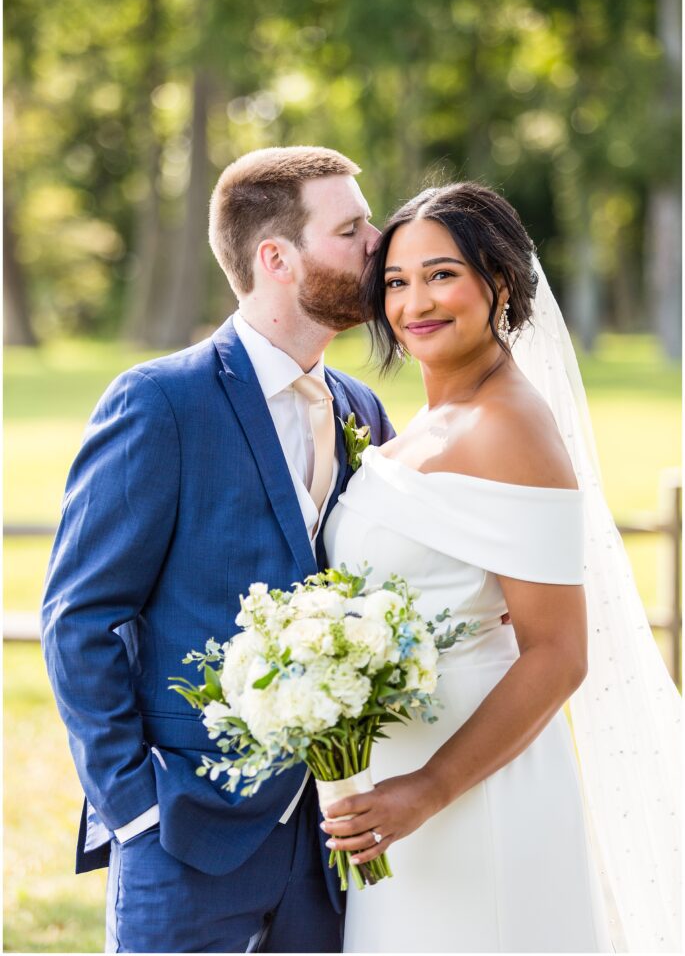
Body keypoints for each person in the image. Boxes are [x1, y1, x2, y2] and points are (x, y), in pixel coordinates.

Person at [41, 145, 394, 954]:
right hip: (185, 831)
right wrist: (136, 809)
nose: (377, 242)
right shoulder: (160, 402)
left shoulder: (361, 407)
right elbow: (79, 618)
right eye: (350, 229)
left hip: (330, 841)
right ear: (277, 258)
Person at [321, 182, 681, 953]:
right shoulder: (423, 421)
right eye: (396, 280)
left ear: (500, 284)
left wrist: (429, 789)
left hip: (471, 787)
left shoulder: (508, 425)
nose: (415, 300)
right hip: (394, 789)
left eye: (442, 274)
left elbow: (557, 653)